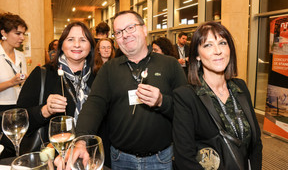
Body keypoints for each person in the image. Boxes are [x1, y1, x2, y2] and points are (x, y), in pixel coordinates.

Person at [58, 10, 187, 170]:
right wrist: (80, 141)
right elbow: (94, 105)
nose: (125, 35)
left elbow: (187, 111)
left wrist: (162, 101)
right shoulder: (109, 69)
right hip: (120, 160)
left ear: (144, 29)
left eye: (130, 28)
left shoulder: (170, 65)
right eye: (119, 32)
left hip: (161, 160)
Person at [173, 21, 262, 170]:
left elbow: (256, 143)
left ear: (230, 49)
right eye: (208, 45)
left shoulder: (240, 87)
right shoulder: (186, 96)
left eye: (222, 43)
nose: (217, 51)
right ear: (197, 56)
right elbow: (184, 158)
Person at [17, 21, 95, 146]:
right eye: (70, 39)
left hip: (91, 150)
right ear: (61, 45)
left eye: (83, 40)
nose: (76, 45)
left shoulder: (99, 76)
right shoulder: (43, 74)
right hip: (53, 153)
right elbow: (19, 119)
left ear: (90, 46)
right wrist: (45, 110)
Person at [0, 13, 28, 112]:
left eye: (23, 34)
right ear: (4, 33)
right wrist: (11, 83)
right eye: (18, 33)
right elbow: (12, 83)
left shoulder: (21, 55)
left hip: (20, 105)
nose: (22, 38)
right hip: (2, 107)